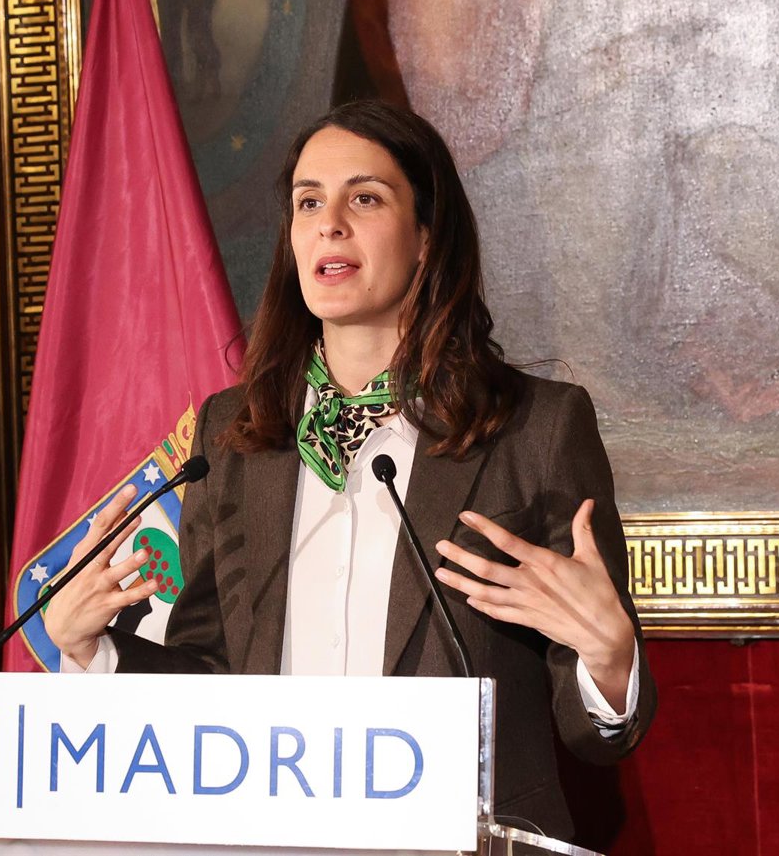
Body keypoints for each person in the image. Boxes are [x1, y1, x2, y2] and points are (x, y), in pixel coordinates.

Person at [45, 100, 656, 839]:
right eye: (309, 202)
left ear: (426, 237)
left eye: (364, 198)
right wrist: (93, 650)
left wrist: (609, 659)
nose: (329, 224)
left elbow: (596, 736)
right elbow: (208, 681)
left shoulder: (535, 429)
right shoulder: (235, 435)